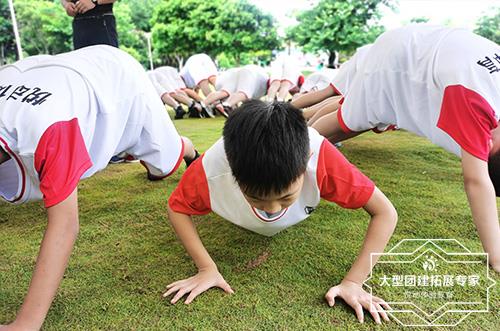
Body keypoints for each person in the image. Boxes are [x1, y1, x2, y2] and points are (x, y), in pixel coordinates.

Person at [0, 45, 197, 330]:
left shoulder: (49, 127)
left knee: (161, 165)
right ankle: (123, 151)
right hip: (65, 81)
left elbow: (65, 226)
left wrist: (26, 324)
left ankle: (185, 148)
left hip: (118, 78)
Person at [165, 100, 398, 324]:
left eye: (285, 197)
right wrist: (207, 268)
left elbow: (385, 212)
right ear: (231, 170)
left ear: (306, 161)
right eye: (256, 198)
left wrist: (354, 282)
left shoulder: (323, 159)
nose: (272, 209)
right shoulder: (209, 172)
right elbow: (176, 208)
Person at [311, 24, 500, 271]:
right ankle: (294, 139)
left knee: (354, 116)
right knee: (347, 122)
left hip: (425, 49)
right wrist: (496, 256)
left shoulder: (479, 107)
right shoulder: (475, 105)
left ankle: (297, 124)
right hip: (398, 57)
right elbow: (476, 180)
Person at [202, 65, 269, 116]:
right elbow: (245, 98)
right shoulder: (262, 89)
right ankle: (226, 105)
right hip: (253, 73)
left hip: (239, 70)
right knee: (243, 93)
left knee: (224, 92)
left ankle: (202, 104)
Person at [148, 66, 213, 119]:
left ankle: (198, 104)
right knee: (173, 92)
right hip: (161, 72)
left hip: (162, 72)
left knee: (175, 91)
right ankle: (193, 105)